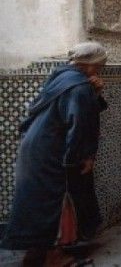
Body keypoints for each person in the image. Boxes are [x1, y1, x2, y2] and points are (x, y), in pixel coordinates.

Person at [1, 42, 108, 265]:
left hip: (34, 146)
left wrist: (95, 93)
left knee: (37, 201)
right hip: (51, 150)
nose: (101, 70)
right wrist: (81, 158)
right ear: (90, 65)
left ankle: (34, 252)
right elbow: (78, 125)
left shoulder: (62, 76)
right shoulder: (79, 86)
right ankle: (53, 256)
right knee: (57, 201)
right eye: (100, 65)